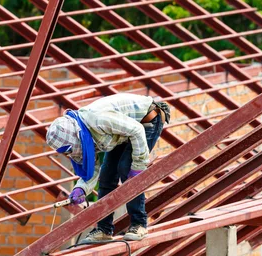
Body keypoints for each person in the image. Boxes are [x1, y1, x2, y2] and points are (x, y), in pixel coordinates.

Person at [46, 94, 170, 243]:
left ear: (75, 138)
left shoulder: (97, 121)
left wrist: (138, 166)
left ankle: (139, 224)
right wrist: (81, 188)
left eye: (69, 150)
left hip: (147, 120)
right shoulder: (84, 134)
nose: (69, 154)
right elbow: (93, 166)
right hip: (123, 133)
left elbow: (136, 130)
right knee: (106, 177)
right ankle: (104, 229)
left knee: (126, 168)